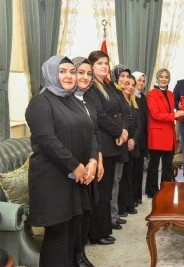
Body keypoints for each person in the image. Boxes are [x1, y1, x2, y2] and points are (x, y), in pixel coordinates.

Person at [25, 55, 97, 266]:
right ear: (51, 73)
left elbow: (91, 131)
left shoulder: (72, 100)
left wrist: (92, 160)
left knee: (73, 232)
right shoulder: (40, 102)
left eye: (71, 71)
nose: (69, 76)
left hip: (76, 178)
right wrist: (75, 166)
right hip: (52, 180)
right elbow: (48, 140)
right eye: (62, 71)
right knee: (58, 236)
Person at [86, 50, 128, 245]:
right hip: (103, 144)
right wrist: (119, 132)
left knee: (108, 189)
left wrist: (122, 131)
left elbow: (120, 110)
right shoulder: (91, 89)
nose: (104, 66)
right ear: (91, 67)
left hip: (113, 144)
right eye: (100, 63)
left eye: (106, 63)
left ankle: (104, 229)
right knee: (101, 192)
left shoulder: (108, 86)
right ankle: (96, 233)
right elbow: (100, 116)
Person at [71, 56, 101, 267]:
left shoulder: (88, 98)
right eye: (80, 72)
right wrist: (79, 165)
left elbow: (93, 131)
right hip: (73, 166)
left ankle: (81, 254)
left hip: (90, 161)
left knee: (87, 209)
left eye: (88, 74)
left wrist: (97, 158)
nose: (84, 77)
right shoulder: (63, 99)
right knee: (75, 212)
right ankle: (75, 257)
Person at [146, 69, 184, 196]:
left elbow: (172, 113)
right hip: (157, 135)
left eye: (166, 77)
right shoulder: (151, 94)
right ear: (157, 78)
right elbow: (156, 115)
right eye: (161, 77)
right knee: (154, 166)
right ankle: (152, 191)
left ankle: (166, 189)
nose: (164, 79)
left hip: (169, 134)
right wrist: (175, 114)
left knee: (167, 166)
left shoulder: (170, 94)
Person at [109, 64, 134, 229]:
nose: (125, 79)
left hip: (122, 142)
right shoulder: (113, 94)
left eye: (127, 76)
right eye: (122, 76)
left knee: (116, 180)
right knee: (113, 182)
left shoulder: (120, 94)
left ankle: (114, 215)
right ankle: (111, 217)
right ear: (115, 77)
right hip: (114, 142)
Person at [117, 75, 141, 216]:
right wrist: (127, 140)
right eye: (128, 84)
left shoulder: (134, 103)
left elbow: (139, 126)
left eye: (133, 84)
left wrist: (133, 140)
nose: (130, 87)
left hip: (133, 145)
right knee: (122, 178)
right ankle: (122, 207)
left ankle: (128, 204)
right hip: (122, 144)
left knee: (130, 176)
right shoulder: (119, 101)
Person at [132, 71, 148, 201]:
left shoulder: (143, 97)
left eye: (143, 81)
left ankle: (137, 196)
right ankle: (131, 198)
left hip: (142, 138)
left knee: (139, 169)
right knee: (131, 170)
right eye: (139, 80)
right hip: (132, 139)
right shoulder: (129, 96)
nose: (141, 83)